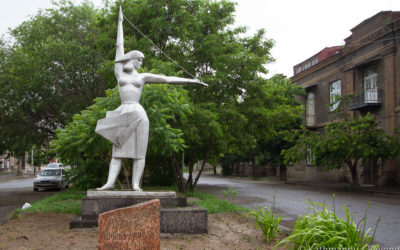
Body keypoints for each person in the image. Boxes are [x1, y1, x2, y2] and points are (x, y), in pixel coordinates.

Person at [96, 7, 207, 191]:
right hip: (123, 110)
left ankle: (135, 185)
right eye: (139, 59)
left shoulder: (143, 77)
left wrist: (192, 80)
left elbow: (167, 79)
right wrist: (120, 23)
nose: (141, 63)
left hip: (139, 114)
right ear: (131, 58)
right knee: (118, 151)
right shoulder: (119, 72)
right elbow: (119, 47)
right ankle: (109, 183)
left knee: (140, 151)